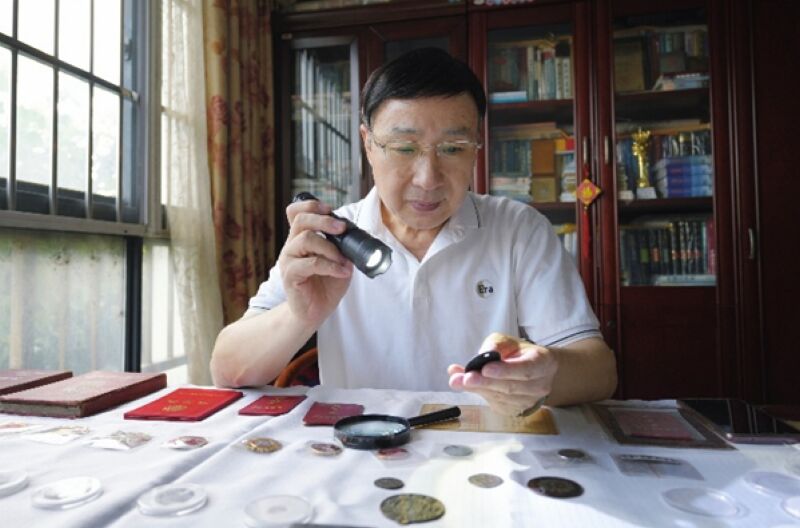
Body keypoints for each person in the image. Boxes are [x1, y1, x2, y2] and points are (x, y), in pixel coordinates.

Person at [211, 47, 616, 417]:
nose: (427, 179)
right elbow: (227, 369)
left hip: (484, 451)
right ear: (368, 144)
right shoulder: (332, 236)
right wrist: (299, 317)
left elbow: (600, 370)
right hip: (361, 449)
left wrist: (545, 374)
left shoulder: (517, 229)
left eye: (453, 148)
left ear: (477, 146)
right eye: (404, 149)